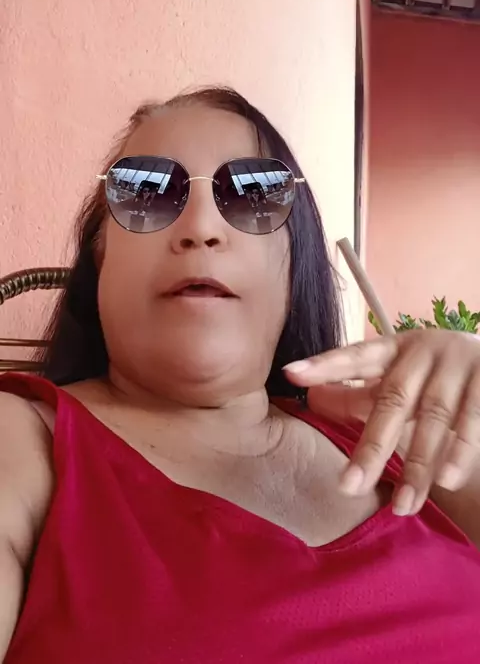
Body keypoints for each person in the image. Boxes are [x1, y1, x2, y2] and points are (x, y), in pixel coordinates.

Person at [1, 86, 479, 664]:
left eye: (255, 193)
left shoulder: (403, 445)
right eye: (145, 191)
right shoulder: (20, 444)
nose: (201, 227)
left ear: (294, 260)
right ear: (99, 255)